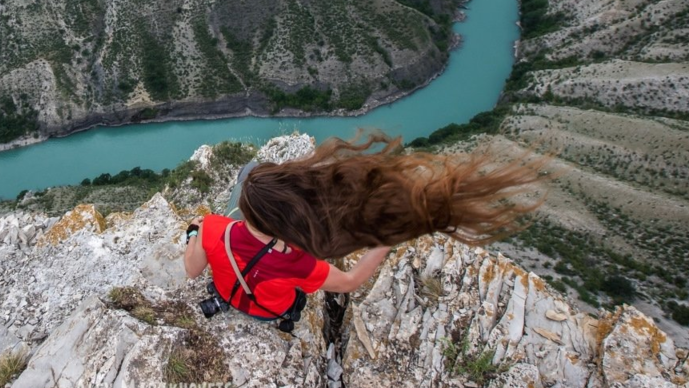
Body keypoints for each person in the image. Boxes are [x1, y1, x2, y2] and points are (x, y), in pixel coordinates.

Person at [182, 133, 548, 330]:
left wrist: (196, 235)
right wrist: (383, 242)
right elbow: (351, 281)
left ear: (243, 208)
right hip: (267, 312)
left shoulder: (216, 228)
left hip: (228, 298)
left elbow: (192, 270)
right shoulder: (298, 262)